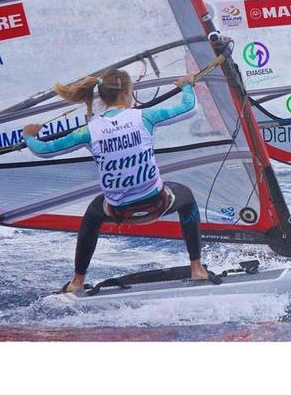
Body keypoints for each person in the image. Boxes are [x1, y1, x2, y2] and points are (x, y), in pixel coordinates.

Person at [22, 68, 206, 293]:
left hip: (117, 211)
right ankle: (197, 268)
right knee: (186, 197)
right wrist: (187, 85)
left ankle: (77, 281)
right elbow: (189, 108)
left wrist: (29, 136)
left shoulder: (89, 131)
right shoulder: (145, 116)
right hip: (157, 203)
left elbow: (44, 150)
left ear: (102, 96)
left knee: (92, 215)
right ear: (127, 93)